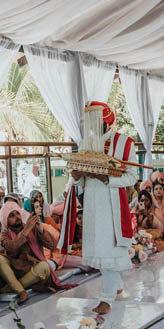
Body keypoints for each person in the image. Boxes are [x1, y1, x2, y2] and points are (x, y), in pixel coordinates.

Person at [58, 101, 138, 315]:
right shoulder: (87, 142)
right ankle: (117, 285)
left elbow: (132, 176)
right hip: (92, 204)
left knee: (107, 248)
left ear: (107, 120)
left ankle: (107, 298)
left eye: (96, 119)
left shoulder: (125, 143)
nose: (92, 124)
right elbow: (80, 181)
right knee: (99, 249)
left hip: (111, 205)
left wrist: (105, 178)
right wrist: (76, 177)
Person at [0, 202, 61, 303]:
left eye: (17, 213)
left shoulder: (33, 228)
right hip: (16, 270)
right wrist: (26, 230)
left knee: (44, 266)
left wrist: (41, 229)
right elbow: (12, 247)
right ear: (5, 220)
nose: (17, 217)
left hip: (34, 268)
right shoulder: (5, 234)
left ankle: (11, 288)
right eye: (12, 215)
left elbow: (52, 246)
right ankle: (21, 291)